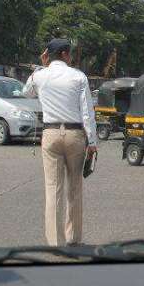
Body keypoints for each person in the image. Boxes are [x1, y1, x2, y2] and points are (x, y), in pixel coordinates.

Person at [23, 38, 98, 246]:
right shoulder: (78, 76)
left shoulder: (39, 76)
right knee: (74, 187)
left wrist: (40, 66)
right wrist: (92, 141)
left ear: (48, 55)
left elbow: (26, 92)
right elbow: (87, 111)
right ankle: (73, 238)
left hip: (51, 133)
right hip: (75, 134)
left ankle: (56, 242)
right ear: (65, 54)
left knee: (52, 188)